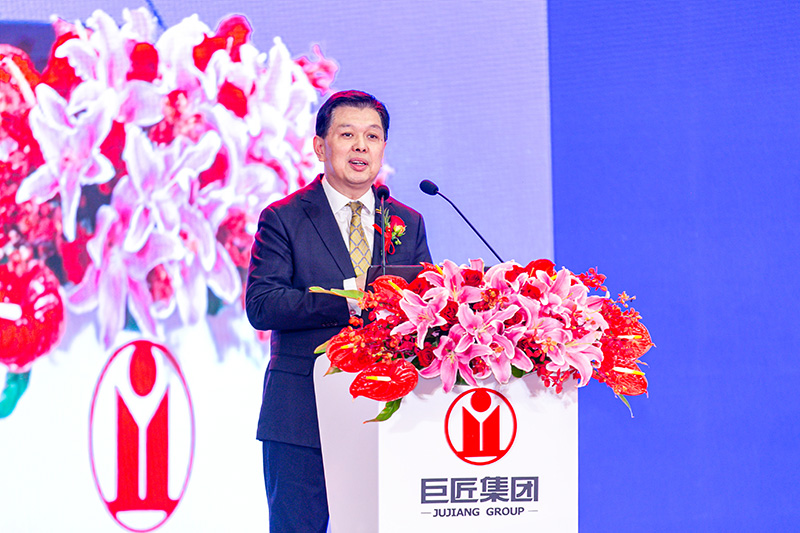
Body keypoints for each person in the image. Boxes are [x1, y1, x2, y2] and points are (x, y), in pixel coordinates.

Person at [246, 90, 432, 532]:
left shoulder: (407, 221)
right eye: (347, 135)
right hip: (301, 417)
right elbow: (262, 304)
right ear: (319, 146)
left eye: (373, 136)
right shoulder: (284, 218)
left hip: (389, 415)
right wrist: (347, 299)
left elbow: (427, 307)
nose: (361, 146)